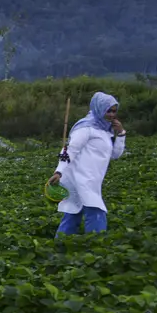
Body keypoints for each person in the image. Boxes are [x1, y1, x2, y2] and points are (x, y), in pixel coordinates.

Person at [48, 91, 127, 236]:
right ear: (99, 109)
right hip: (79, 178)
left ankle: (60, 247)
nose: (111, 114)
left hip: (92, 179)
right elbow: (69, 150)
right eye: (108, 110)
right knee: (97, 212)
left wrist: (121, 133)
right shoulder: (85, 128)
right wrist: (59, 171)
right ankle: (97, 247)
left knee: (73, 213)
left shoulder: (105, 130)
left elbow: (115, 155)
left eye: (114, 111)